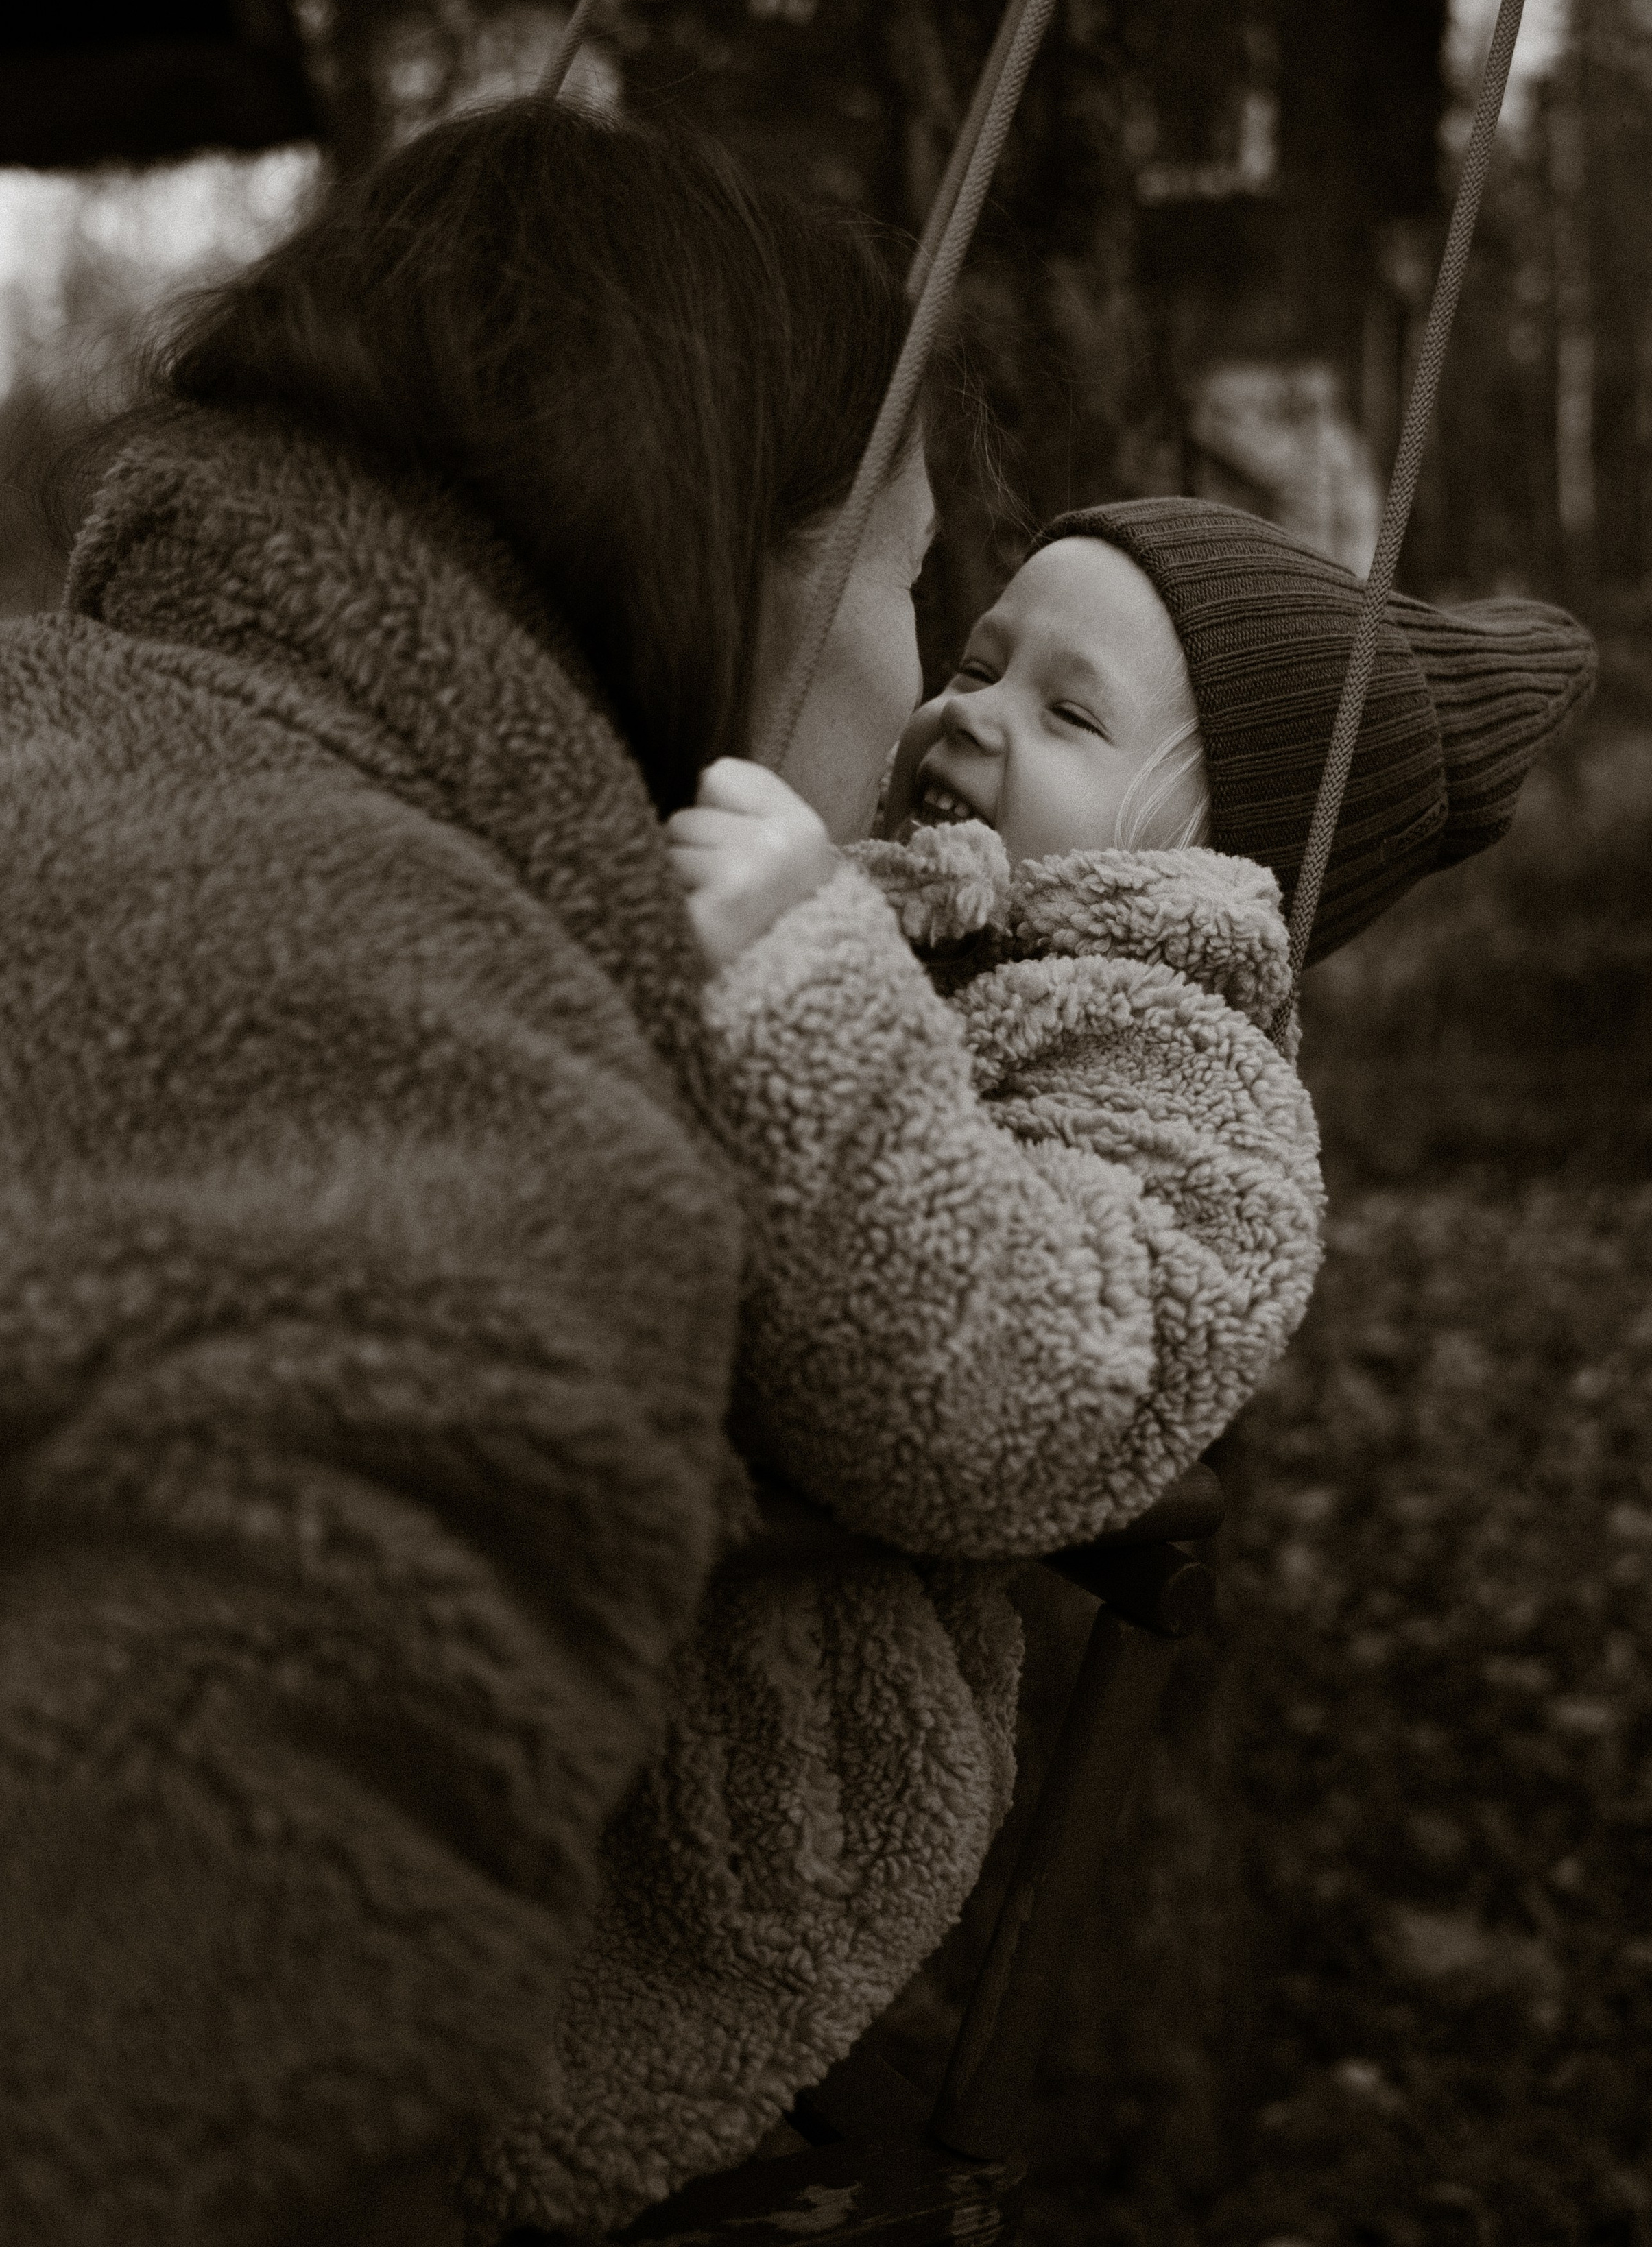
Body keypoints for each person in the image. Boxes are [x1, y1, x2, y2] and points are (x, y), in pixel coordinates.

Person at [0, 97, 982, 2247]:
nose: (928, 702)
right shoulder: (503, 1121)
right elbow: (190, 2072)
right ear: (748, 562)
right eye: (921, 581)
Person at [467, 496, 1593, 2243]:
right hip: (524, 1610)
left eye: (1073, 713)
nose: (969, 711)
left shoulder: (1183, 1077)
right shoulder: (866, 922)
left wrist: (789, 978)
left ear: (1232, 852)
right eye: (979, 655)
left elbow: (1022, 1387)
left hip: (736, 1762)